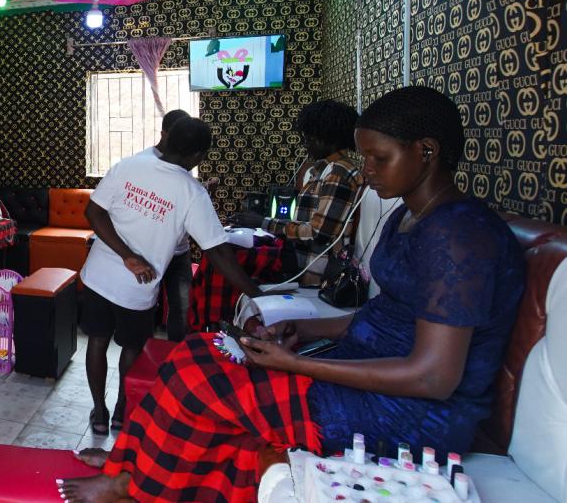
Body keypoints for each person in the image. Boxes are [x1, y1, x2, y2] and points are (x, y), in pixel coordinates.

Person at [59, 87, 525, 502]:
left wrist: (294, 363)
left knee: (200, 382)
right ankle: (132, 464)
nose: (365, 171)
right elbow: (383, 316)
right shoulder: (408, 218)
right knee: (192, 353)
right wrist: (299, 328)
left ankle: (134, 486)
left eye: (378, 159)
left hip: (408, 413)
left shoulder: (461, 236)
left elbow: (433, 379)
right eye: (364, 157)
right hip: (362, 368)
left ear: (426, 152)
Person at [81, 117, 265, 436]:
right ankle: (122, 411)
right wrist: (259, 295)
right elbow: (218, 253)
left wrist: (124, 254)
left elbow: (93, 214)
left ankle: (99, 411)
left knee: (97, 342)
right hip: (135, 288)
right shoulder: (192, 192)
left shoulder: (129, 165)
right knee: (132, 349)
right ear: (197, 157)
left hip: (96, 276)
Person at [232, 100, 363, 283]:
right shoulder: (323, 171)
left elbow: (318, 233)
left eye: (310, 138)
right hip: (302, 266)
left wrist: (264, 222)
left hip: (315, 275)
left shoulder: (338, 174)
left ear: (328, 137)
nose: (306, 144)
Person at [137, 109, 220, 341]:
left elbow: (178, 199)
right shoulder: (145, 163)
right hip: (148, 250)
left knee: (181, 307)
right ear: (164, 134)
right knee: (144, 306)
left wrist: (201, 189)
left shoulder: (181, 163)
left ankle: (175, 357)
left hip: (179, 252)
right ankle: (141, 356)